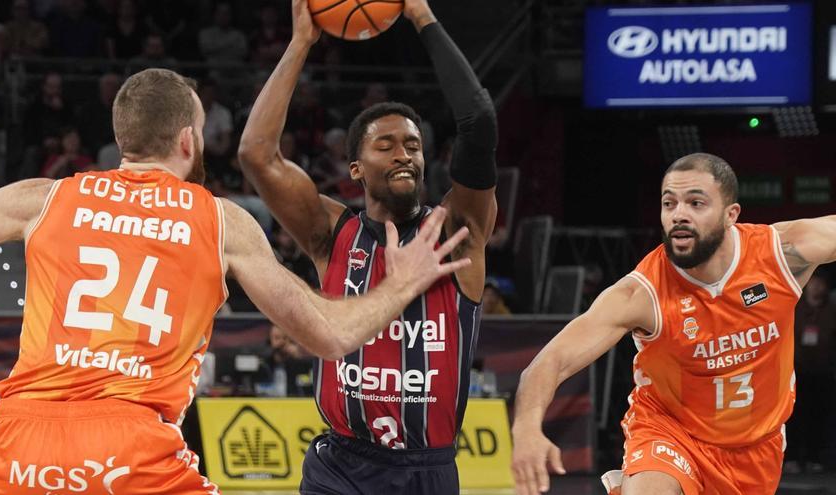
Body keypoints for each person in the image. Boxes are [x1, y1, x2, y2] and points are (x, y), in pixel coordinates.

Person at [0, 67, 470, 494]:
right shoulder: (219, 220)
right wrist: (403, 285)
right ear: (188, 139)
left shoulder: (44, 197)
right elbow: (331, 335)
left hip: (18, 439)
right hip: (131, 447)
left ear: (123, 138)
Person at [238, 0, 498, 492]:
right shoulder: (331, 232)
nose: (404, 154)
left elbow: (479, 120)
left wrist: (422, 15)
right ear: (355, 169)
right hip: (339, 464)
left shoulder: (459, 229)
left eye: (414, 145)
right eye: (386, 146)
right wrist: (300, 45)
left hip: (427, 468)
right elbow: (256, 154)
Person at [510, 152, 836, 495]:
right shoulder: (642, 293)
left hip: (756, 446)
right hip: (670, 431)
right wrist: (527, 429)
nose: (679, 214)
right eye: (669, 203)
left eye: (696, 203)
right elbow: (549, 362)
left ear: (731, 215)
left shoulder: (780, 254)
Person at [786, 273, 836, 473]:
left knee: (818, 416)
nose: (817, 287)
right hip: (796, 371)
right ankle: (791, 457)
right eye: (813, 282)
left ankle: (815, 457)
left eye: (821, 283)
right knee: (793, 416)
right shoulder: (794, 307)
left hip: (822, 372)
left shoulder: (831, 310)